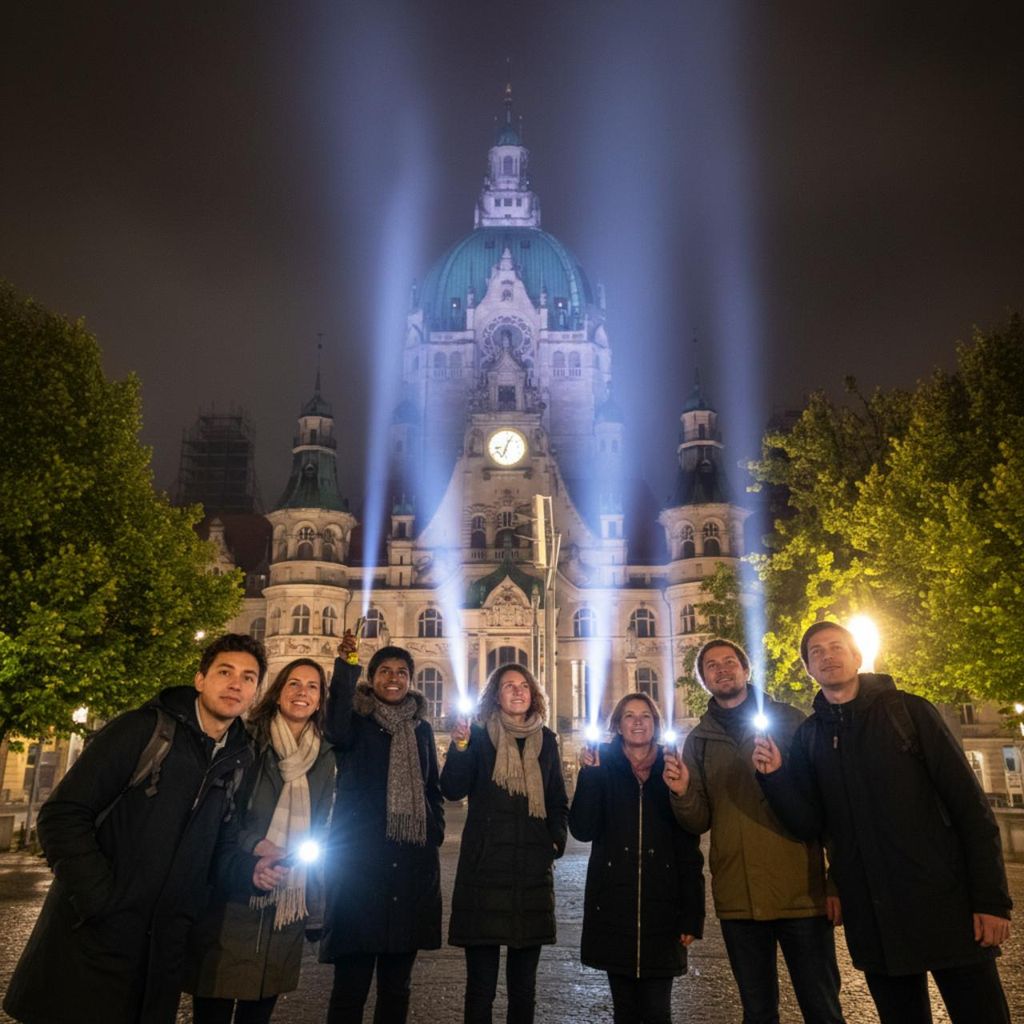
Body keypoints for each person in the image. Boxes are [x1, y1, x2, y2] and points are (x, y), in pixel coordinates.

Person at [3, 633, 287, 1024]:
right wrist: (101, 901)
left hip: (161, 956)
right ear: (200, 679)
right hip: (92, 942)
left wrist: (249, 871)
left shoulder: (238, 759)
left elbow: (218, 847)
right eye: (225, 671)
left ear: (256, 692)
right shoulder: (142, 730)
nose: (236, 683)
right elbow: (63, 814)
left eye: (249, 677)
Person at [754, 621, 1013, 1024]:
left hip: (946, 907)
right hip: (875, 920)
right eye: (816, 652)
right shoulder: (809, 736)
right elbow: (811, 824)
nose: (827, 656)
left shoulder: (908, 711)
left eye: (836, 646)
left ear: (857, 656)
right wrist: (774, 778)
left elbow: (970, 808)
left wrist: (992, 902)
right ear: (808, 669)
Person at [664, 638, 845, 1024]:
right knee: (757, 1012)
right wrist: (681, 793)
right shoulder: (698, 740)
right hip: (738, 897)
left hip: (802, 893)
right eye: (711, 666)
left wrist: (836, 882)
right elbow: (698, 822)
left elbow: (829, 806)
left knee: (823, 1009)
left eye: (730, 661)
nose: (722, 669)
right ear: (703, 680)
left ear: (746, 670)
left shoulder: (791, 722)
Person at [185, 656, 336, 1023]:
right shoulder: (247, 740)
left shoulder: (326, 755)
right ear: (278, 691)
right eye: (294, 684)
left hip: (288, 895)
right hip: (234, 890)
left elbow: (322, 821)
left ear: (320, 699)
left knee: (260, 1010)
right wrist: (255, 846)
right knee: (215, 1003)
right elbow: (221, 811)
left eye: (312, 687)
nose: (303, 693)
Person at [320, 640, 445, 1023]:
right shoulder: (354, 723)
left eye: (402, 673)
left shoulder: (420, 730)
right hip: (361, 866)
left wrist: (433, 828)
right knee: (350, 989)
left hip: (409, 869)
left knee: (397, 989)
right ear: (371, 678)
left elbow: (431, 787)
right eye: (385, 672)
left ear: (411, 680)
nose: (394, 679)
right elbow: (334, 727)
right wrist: (346, 666)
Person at [440, 663, 569, 1024]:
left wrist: (554, 842)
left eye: (523, 685)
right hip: (484, 872)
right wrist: (460, 747)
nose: (517, 691)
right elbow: (452, 789)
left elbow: (557, 799)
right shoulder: (477, 736)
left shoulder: (548, 741)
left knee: (524, 989)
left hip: (531, 874)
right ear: (495, 695)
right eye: (508, 685)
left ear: (533, 695)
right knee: (480, 987)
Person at [568, 691, 704, 1024]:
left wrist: (692, 914)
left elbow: (689, 846)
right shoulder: (603, 766)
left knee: (658, 1011)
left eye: (645, 715)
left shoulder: (673, 767)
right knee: (625, 1011)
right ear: (618, 725)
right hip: (615, 905)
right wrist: (589, 778)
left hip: (664, 909)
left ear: (655, 724)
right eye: (629, 715)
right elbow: (582, 829)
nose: (638, 721)